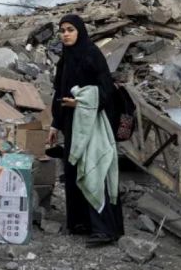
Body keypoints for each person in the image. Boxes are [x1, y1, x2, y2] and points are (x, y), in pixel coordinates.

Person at [47, 14, 124, 246]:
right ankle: (81, 222)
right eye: (62, 31)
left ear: (80, 31)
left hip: (92, 123)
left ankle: (104, 230)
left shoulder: (92, 55)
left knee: (93, 169)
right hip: (72, 124)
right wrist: (55, 124)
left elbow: (106, 90)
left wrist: (80, 102)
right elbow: (59, 93)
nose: (66, 34)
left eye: (70, 29)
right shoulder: (66, 59)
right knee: (73, 170)